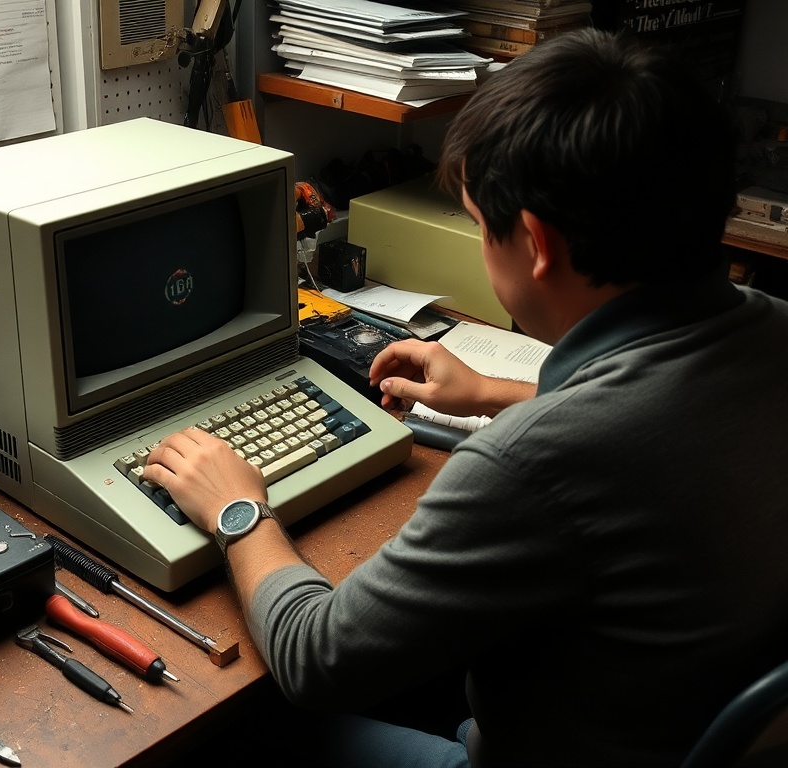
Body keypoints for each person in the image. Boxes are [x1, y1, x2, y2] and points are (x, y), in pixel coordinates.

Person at [144, 28, 788, 767]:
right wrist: (492, 393)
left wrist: (241, 511)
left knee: (235, 732)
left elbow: (316, 658)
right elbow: (655, 421)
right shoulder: (770, 327)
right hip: (668, 719)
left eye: (482, 228)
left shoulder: (530, 466)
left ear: (538, 246)